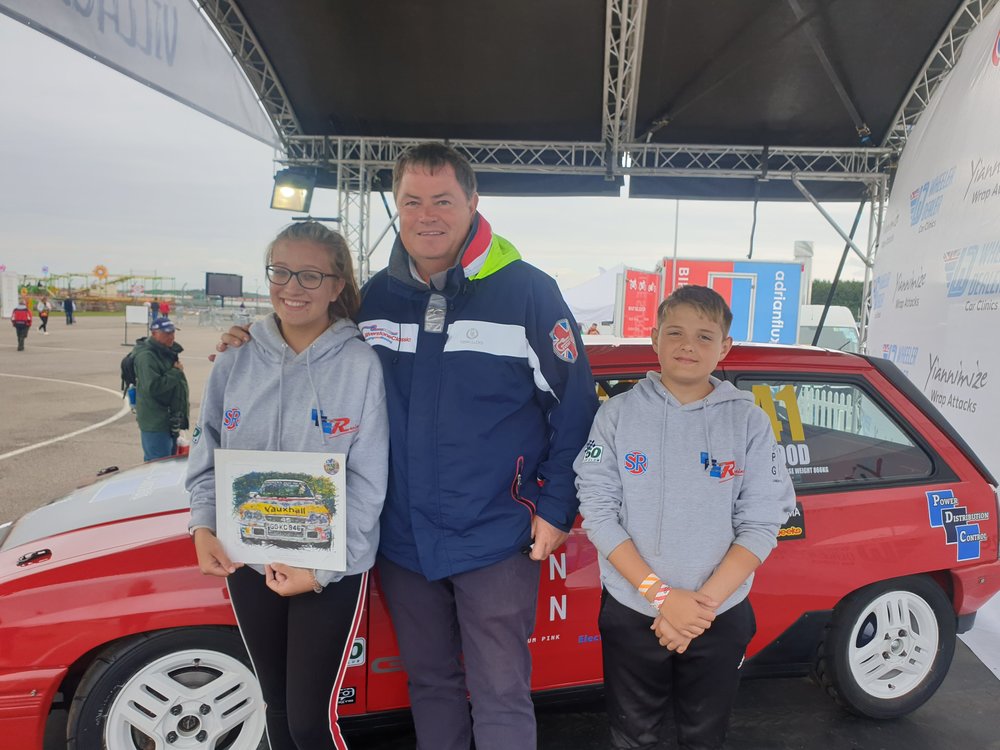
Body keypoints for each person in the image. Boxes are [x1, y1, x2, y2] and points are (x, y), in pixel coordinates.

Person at [219, 143, 598, 750]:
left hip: (496, 534)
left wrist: (554, 509)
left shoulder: (528, 292)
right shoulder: (376, 297)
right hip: (402, 541)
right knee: (430, 684)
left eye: (442, 200)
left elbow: (576, 408)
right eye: (412, 201)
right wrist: (251, 341)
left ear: (472, 202)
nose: (427, 216)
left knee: (501, 693)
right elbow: (311, 345)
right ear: (397, 206)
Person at [187, 221, 389, 750]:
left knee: (308, 722)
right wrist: (203, 525)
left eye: (310, 275)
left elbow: (368, 483)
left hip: (329, 569)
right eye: (281, 271)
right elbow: (208, 454)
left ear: (337, 285)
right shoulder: (235, 358)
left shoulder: (361, 365)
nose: (292, 287)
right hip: (249, 560)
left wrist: (320, 571)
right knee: (274, 706)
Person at [574, 285, 795, 750]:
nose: (687, 345)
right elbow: (598, 512)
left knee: (704, 735)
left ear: (724, 347)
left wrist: (696, 608)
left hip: (719, 613)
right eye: (674, 332)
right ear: (654, 338)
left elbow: (761, 522)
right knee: (634, 735)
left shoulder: (749, 422)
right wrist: (662, 598)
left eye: (703, 336)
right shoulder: (616, 416)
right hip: (633, 610)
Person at [133, 317, 189, 461]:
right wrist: (176, 372)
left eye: (173, 332)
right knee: (158, 464)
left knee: (170, 463)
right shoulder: (146, 356)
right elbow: (153, 387)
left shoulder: (166, 351)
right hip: (156, 421)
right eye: (167, 333)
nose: (172, 336)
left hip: (170, 420)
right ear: (154, 333)